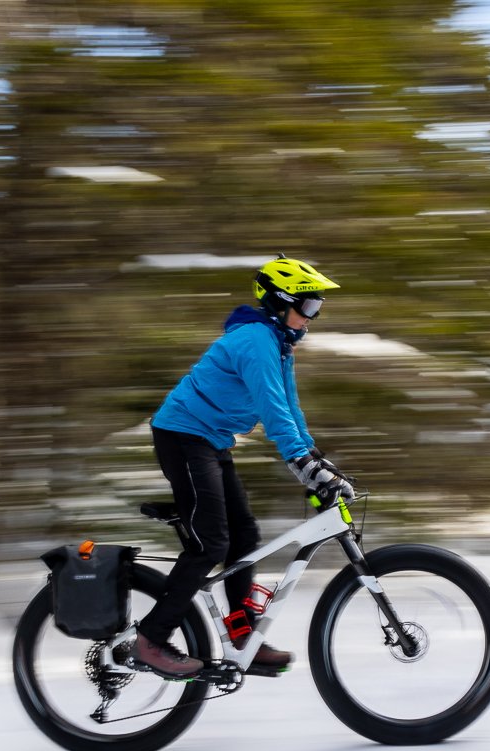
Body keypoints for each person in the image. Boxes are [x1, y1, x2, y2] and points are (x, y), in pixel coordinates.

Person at [129, 254, 355, 679]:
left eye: (317, 307)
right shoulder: (256, 342)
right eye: (308, 306)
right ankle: (150, 641)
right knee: (210, 544)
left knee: (245, 535)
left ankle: (241, 633)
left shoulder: (277, 344)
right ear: (280, 301)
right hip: (183, 437)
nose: (313, 316)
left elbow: (290, 411)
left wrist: (315, 458)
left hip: (209, 441)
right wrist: (302, 466)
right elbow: (272, 412)